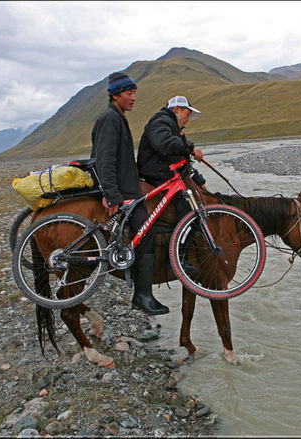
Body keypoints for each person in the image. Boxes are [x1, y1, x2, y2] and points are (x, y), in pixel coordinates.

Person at [90, 71, 169, 315]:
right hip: (121, 192)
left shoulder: (117, 117)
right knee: (145, 231)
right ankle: (142, 296)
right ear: (116, 95)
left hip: (128, 189)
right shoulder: (110, 119)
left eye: (134, 92)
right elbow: (104, 159)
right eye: (129, 93)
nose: (134, 97)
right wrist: (112, 195)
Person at [137, 95, 207, 228]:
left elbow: (180, 160)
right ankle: (180, 245)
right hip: (155, 174)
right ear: (176, 109)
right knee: (186, 206)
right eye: (187, 114)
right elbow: (163, 142)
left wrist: (198, 179)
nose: (187, 120)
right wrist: (191, 148)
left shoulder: (171, 126)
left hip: (163, 172)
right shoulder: (161, 120)